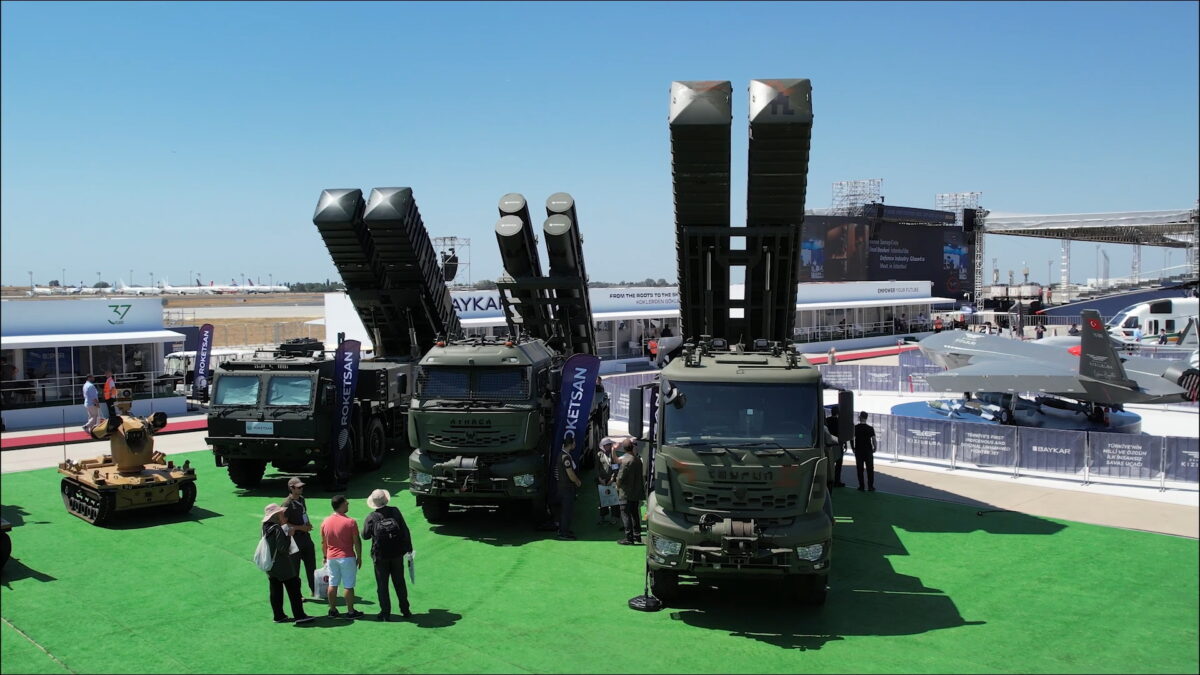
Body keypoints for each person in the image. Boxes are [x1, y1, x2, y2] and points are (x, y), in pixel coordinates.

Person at [362, 489, 413, 622]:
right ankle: (405, 610)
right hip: (397, 554)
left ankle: (385, 613)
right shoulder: (395, 511)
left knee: (382, 585)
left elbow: (365, 535)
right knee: (399, 583)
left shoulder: (371, 517)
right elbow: (405, 530)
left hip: (380, 557)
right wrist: (409, 549)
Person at [261, 503, 315, 624]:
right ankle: (299, 615)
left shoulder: (265, 527)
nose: (283, 515)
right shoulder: (277, 529)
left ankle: (278, 615)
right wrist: (289, 536)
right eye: (280, 513)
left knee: (275, 589)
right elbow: (283, 548)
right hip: (283, 566)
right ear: (275, 515)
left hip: (271, 565)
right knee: (294, 588)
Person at [320, 495, 364, 619]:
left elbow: (324, 542)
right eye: (346, 502)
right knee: (348, 585)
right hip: (347, 557)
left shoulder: (325, 522)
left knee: (332, 584)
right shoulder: (351, 522)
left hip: (331, 558)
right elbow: (356, 541)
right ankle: (351, 612)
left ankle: (332, 610)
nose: (348, 503)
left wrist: (325, 556)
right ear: (341, 505)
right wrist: (359, 557)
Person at [281, 477, 317, 598]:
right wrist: (300, 527)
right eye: (298, 487)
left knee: (311, 565)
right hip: (294, 540)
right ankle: (298, 595)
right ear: (291, 488)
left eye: (302, 486)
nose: (301, 489)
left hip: (305, 537)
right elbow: (283, 524)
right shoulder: (287, 504)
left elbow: (303, 513)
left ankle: (315, 590)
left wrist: (307, 523)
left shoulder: (301, 499)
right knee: (294, 569)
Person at [615, 439, 645, 545]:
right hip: (636, 492)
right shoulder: (637, 460)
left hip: (626, 492)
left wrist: (617, 486)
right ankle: (637, 535)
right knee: (634, 513)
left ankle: (629, 537)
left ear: (624, 449)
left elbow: (620, 477)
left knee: (625, 514)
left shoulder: (625, 461)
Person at [555, 437, 582, 541]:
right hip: (566, 488)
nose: (575, 444)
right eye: (574, 443)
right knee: (567, 511)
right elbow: (570, 474)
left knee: (564, 510)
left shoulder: (561, 454)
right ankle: (563, 533)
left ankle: (563, 529)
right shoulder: (566, 457)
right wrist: (577, 481)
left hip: (562, 487)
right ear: (570, 444)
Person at [595, 437, 621, 525]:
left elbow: (616, 468)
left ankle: (615, 517)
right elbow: (597, 468)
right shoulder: (599, 455)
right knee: (603, 499)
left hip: (612, 480)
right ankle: (603, 517)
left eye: (609, 445)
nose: (608, 446)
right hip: (602, 480)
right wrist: (600, 478)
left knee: (614, 499)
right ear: (603, 446)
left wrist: (612, 479)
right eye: (606, 445)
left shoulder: (613, 454)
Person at [852, 411, 877, 492]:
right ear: (866, 418)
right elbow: (873, 439)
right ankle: (870, 486)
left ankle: (861, 486)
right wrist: (875, 447)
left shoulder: (855, 428)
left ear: (860, 417)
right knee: (870, 469)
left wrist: (853, 448)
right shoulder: (870, 428)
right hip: (868, 451)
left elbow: (852, 438)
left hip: (858, 450)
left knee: (860, 469)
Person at [825, 407, 846, 487]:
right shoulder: (840, 422)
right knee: (838, 464)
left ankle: (827, 480)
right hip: (838, 444)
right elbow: (843, 434)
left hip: (828, 444)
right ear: (838, 413)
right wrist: (844, 443)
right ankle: (837, 481)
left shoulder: (827, 420)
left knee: (829, 463)